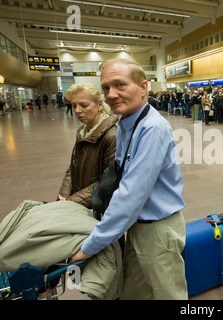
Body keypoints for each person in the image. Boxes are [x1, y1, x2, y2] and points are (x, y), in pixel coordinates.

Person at [69, 58, 187, 300]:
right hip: (136, 226)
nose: (111, 94)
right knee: (133, 291)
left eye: (120, 85)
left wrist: (91, 245)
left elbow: (131, 194)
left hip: (158, 230)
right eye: (106, 88)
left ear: (143, 88)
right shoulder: (126, 123)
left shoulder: (152, 128)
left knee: (168, 295)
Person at [58, 83, 118, 209]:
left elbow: (107, 182)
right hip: (79, 203)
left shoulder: (112, 136)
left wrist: (71, 201)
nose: (77, 110)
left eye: (84, 105)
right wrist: (63, 195)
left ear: (99, 105)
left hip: (98, 207)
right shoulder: (82, 132)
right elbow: (73, 166)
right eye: (74, 105)